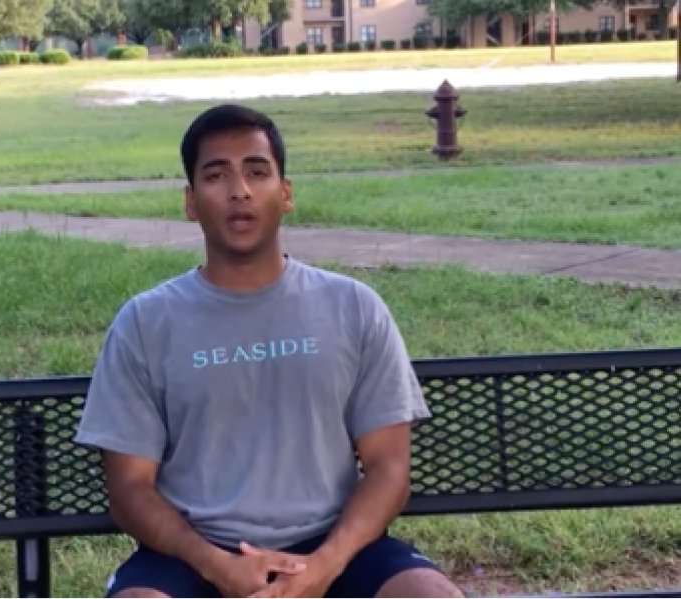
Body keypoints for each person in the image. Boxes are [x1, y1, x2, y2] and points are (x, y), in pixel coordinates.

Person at [75, 104, 463, 598]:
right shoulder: (146, 323)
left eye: (257, 172)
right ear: (191, 202)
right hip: (192, 555)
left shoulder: (353, 307)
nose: (239, 190)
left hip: (336, 546)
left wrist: (325, 564)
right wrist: (216, 566)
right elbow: (130, 490)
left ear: (286, 194)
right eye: (217, 175)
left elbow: (389, 467)